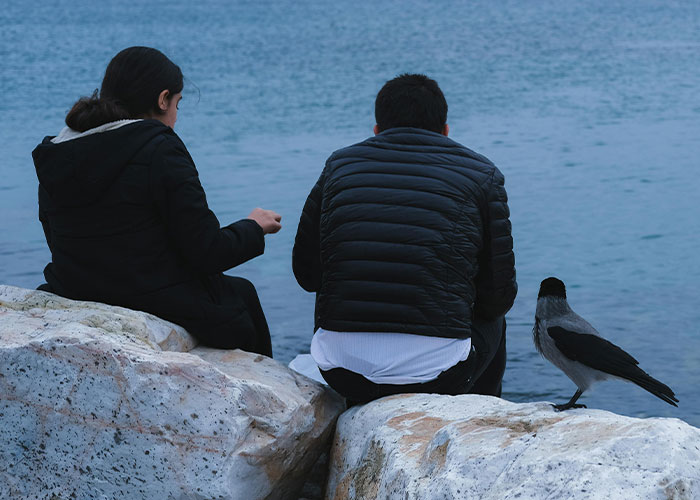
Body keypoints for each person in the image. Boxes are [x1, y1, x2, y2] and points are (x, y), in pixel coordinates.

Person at [32, 46, 281, 356]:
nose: (176, 118)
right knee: (242, 295)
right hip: (145, 298)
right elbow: (207, 252)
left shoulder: (58, 151)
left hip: (74, 290)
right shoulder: (159, 149)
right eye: (177, 104)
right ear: (162, 99)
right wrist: (254, 228)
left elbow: (57, 239)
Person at [292, 74, 517, 404]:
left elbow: (307, 275)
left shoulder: (338, 167)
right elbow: (498, 298)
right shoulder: (482, 175)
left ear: (376, 132)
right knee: (494, 318)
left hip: (343, 372)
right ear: (445, 132)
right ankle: (477, 416)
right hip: (442, 375)